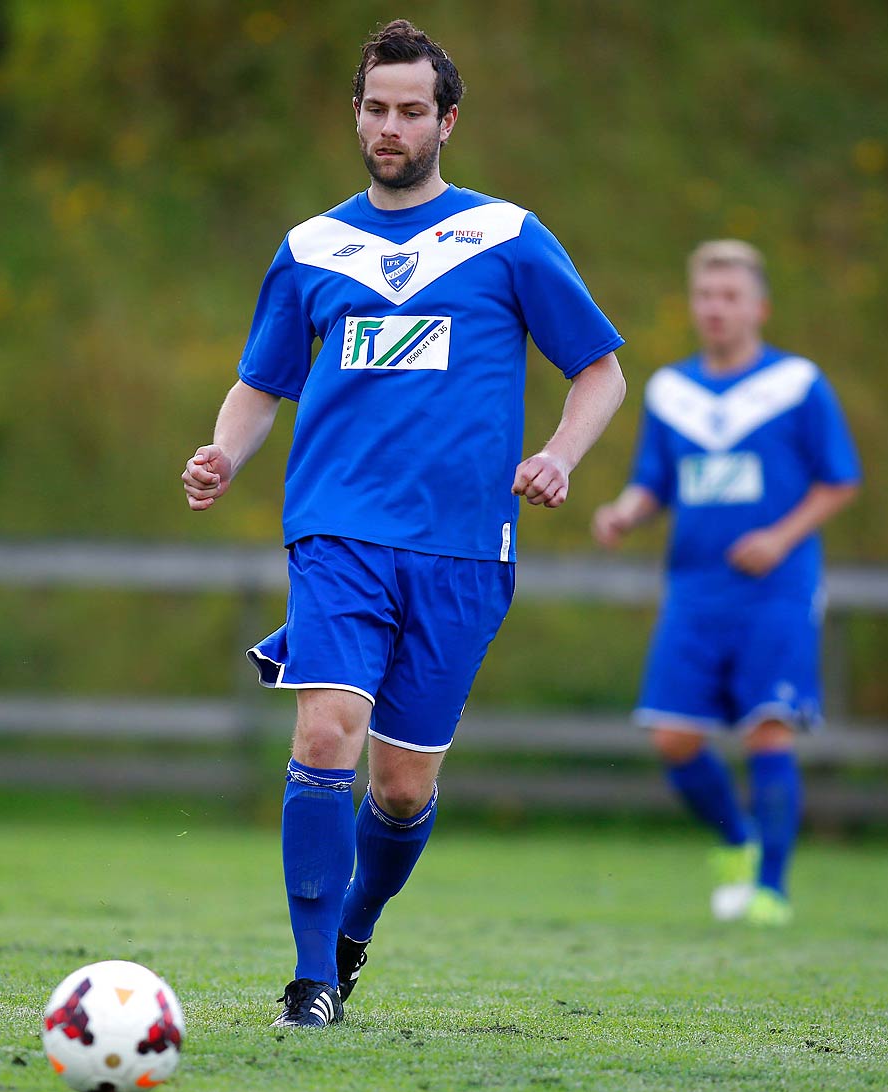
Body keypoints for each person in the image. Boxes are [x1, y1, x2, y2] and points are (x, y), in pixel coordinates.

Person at [181, 20, 626, 1027]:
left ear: (447, 120)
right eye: (375, 108)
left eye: (411, 110)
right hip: (337, 533)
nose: (391, 126)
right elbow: (261, 383)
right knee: (328, 727)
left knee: (398, 788)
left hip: (464, 549)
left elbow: (601, 371)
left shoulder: (507, 237)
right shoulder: (311, 248)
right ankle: (308, 980)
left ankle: (352, 930)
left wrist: (558, 454)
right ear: (356, 113)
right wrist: (222, 453)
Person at [591, 240, 860, 927]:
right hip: (694, 589)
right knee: (673, 741)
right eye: (706, 295)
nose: (715, 308)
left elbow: (840, 481)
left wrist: (778, 538)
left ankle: (771, 889)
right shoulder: (671, 392)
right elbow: (655, 481)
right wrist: (626, 511)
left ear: (760, 306)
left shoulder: (797, 384)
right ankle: (738, 840)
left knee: (769, 730)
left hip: (777, 590)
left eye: (730, 296)